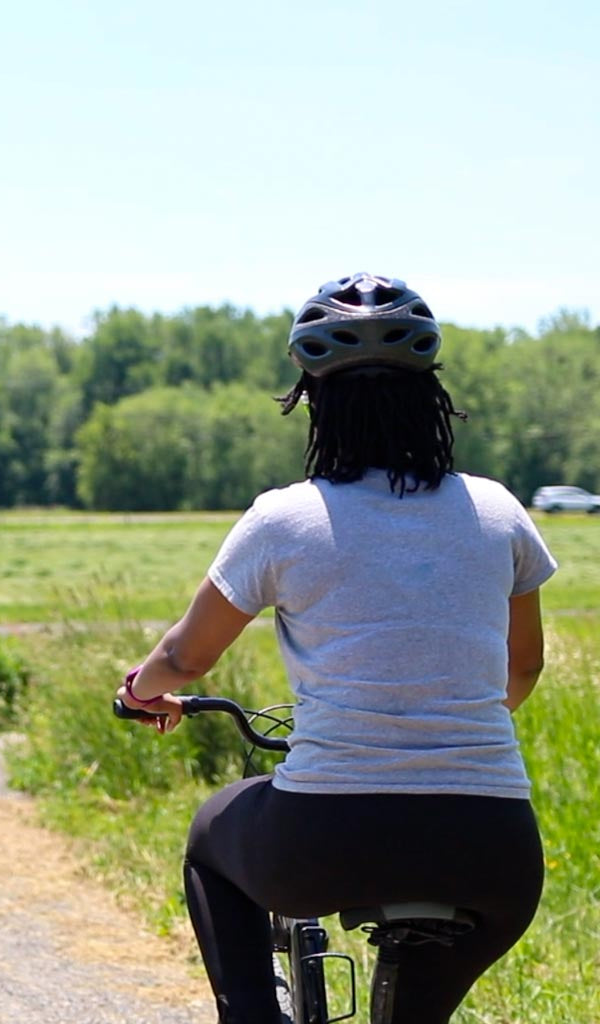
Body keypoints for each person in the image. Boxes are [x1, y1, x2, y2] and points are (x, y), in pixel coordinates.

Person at [116, 273, 557, 1024]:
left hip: (323, 839)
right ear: (433, 394)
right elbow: (523, 668)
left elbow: (186, 661)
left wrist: (138, 691)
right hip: (493, 850)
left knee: (208, 837)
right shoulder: (498, 510)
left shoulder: (284, 519)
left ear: (312, 399)